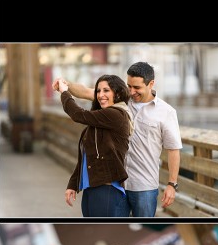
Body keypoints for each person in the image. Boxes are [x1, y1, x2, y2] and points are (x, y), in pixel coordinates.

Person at [59, 61, 182, 217]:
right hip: (117, 183)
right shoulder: (119, 100)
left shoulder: (166, 112)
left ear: (151, 84)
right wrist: (65, 84)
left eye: (137, 87)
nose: (131, 92)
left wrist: (172, 184)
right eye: (129, 86)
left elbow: (173, 149)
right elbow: (85, 92)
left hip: (144, 185)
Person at [56, 76, 132, 217]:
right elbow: (86, 156)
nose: (100, 95)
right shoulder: (99, 122)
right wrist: (73, 184)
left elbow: (78, 115)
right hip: (91, 187)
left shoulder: (117, 115)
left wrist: (64, 93)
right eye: (98, 91)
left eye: (106, 90)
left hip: (106, 188)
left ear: (118, 94)